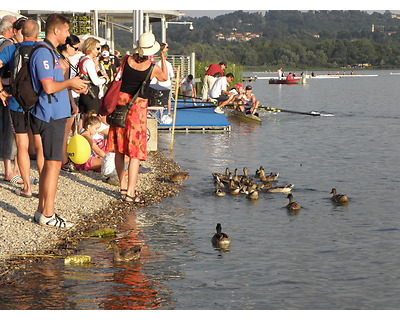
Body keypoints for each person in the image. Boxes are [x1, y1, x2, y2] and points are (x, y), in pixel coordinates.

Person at [30, 13, 89, 228]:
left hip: (55, 113)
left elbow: (56, 82)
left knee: (50, 164)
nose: (68, 34)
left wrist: (71, 84)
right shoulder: (44, 53)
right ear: (56, 30)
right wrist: (70, 82)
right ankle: (49, 213)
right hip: (50, 115)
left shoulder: (52, 52)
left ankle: (41, 211)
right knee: (54, 164)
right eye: (65, 30)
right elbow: (48, 87)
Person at [106, 32, 168, 203]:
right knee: (134, 153)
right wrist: (163, 57)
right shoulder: (152, 67)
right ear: (151, 51)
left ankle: (123, 186)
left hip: (120, 104)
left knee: (119, 149)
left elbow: (118, 77)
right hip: (137, 109)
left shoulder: (125, 60)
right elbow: (165, 77)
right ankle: (131, 193)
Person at [0, 19, 44, 197]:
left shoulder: (12, 49)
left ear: (21, 33)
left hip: (16, 102)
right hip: (38, 103)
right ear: (36, 34)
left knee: (22, 145)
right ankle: (43, 187)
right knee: (40, 146)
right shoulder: (42, 49)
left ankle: (27, 187)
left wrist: (1, 91)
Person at [0, 15, 22, 184]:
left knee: (14, 131)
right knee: (9, 131)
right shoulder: (8, 45)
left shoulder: (12, 45)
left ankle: (14, 167)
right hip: (7, 90)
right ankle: (9, 169)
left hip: (11, 90)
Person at [57, 34, 82, 174]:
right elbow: (66, 86)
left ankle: (62, 159)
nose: (77, 51)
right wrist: (73, 103)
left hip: (60, 97)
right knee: (65, 133)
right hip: (65, 98)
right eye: (75, 48)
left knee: (63, 133)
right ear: (67, 46)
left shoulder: (59, 58)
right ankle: (63, 160)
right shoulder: (64, 62)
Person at [78, 37, 109, 116]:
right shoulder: (88, 61)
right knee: (92, 119)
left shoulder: (82, 59)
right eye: (97, 48)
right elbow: (95, 81)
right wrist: (105, 79)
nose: (99, 51)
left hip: (85, 92)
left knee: (85, 118)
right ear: (90, 47)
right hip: (91, 94)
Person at [149, 42, 175, 116]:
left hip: (159, 85)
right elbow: (171, 75)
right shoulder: (168, 64)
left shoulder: (157, 64)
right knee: (168, 99)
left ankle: (160, 114)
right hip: (166, 84)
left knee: (159, 99)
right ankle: (169, 112)